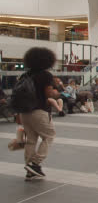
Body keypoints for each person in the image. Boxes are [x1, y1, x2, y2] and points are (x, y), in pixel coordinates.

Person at [20, 47, 59, 181]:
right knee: (49, 136)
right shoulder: (46, 75)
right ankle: (35, 164)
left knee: (31, 140)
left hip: (24, 112)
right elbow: (49, 94)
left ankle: (30, 170)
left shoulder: (25, 75)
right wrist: (57, 90)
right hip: (39, 111)